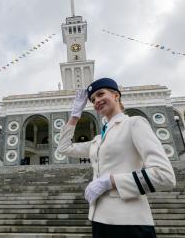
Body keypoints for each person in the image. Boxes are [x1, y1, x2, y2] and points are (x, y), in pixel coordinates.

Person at [56, 78, 176, 238]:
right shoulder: (99, 139)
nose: (97, 100)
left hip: (130, 223)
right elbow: (63, 148)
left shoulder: (134, 124)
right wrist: (75, 114)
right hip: (99, 220)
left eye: (100, 94)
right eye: (93, 99)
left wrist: (110, 181)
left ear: (116, 95)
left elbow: (165, 176)